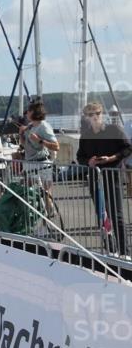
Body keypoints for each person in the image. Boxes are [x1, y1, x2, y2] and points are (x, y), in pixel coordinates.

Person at [77, 101, 131, 256]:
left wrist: (112, 157)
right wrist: (89, 162)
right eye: (90, 115)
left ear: (102, 114)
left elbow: (127, 148)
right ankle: (111, 249)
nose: (94, 117)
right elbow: (80, 156)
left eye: (97, 113)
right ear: (86, 117)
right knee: (102, 215)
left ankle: (124, 253)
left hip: (112, 176)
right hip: (95, 179)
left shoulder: (114, 129)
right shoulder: (85, 136)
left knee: (117, 215)